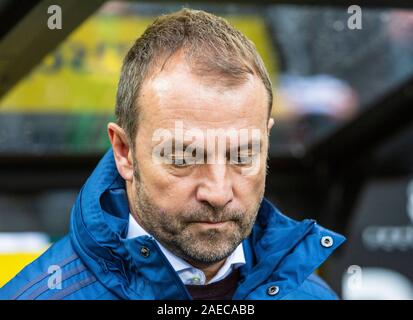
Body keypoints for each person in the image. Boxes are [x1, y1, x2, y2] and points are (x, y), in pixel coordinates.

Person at [0, 8, 345, 300]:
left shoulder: (310, 293)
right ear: (124, 152)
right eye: (183, 158)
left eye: (242, 155)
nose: (219, 192)